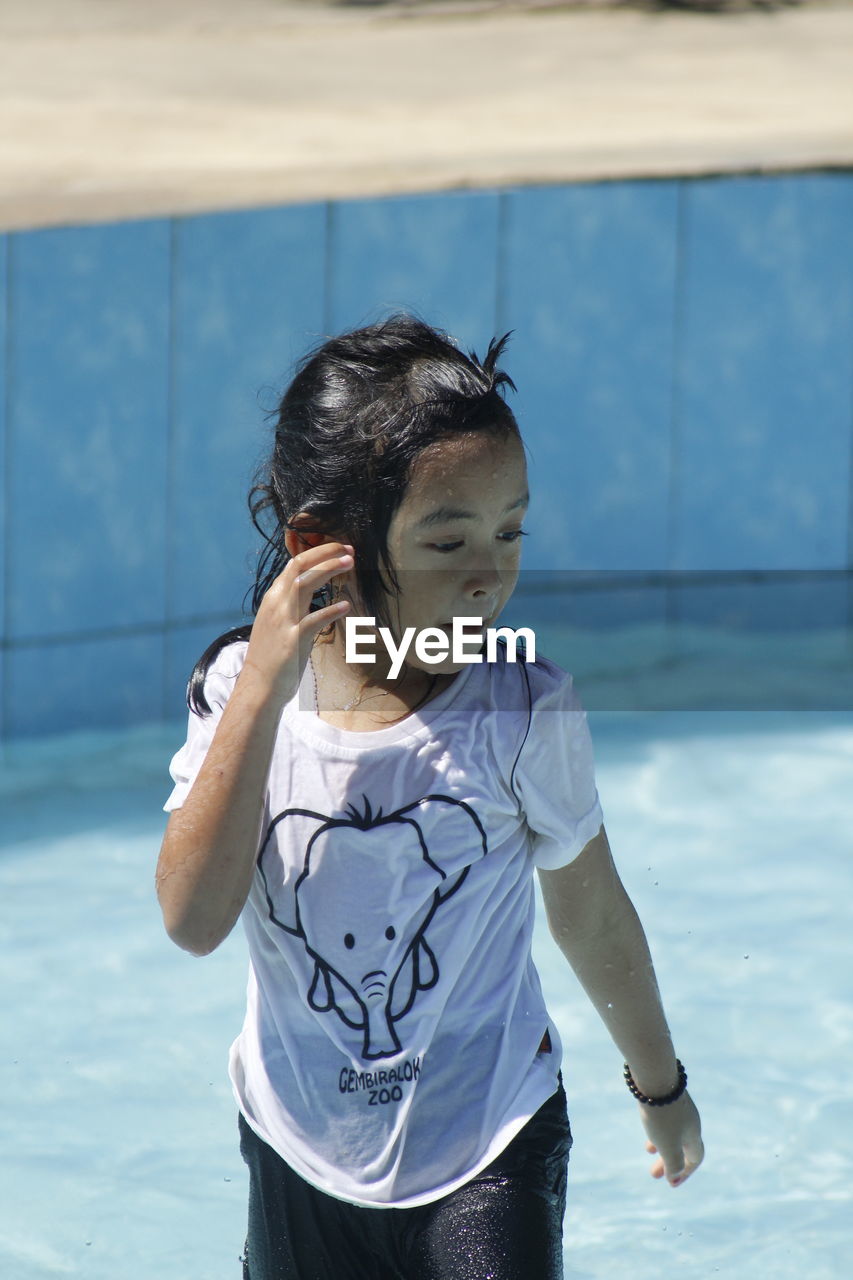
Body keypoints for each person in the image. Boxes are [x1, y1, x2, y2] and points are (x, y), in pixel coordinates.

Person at [156, 314, 703, 1280]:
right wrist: (260, 698)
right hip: (298, 1150)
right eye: (446, 542)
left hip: (489, 1142)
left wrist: (659, 1088)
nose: (491, 574)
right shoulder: (235, 696)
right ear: (320, 546)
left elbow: (592, 914)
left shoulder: (525, 708)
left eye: (509, 530)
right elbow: (193, 920)